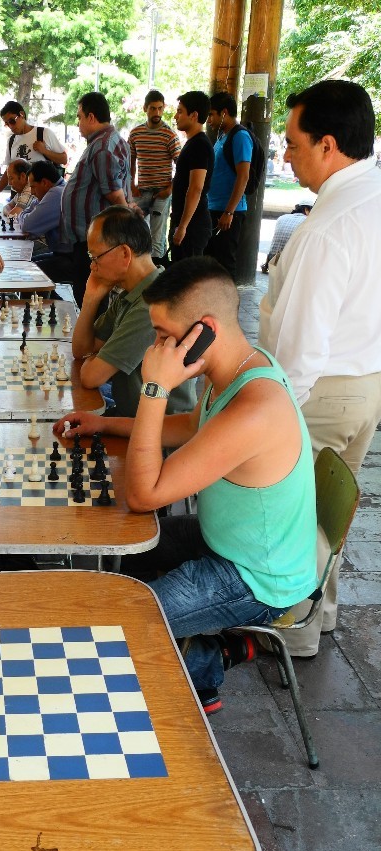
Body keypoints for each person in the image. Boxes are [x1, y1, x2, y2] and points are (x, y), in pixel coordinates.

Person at [56, 257, 318, 714]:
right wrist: (106, 422)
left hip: (254, 578)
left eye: (164, 337)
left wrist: (155, 388)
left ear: (205, 331)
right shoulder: (238, 368)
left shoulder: (254, 408)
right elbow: (193, 424)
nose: (155, 350)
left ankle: (205, 659)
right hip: (225, 541)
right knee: (121, 549)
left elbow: (144, 496)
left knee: (116, 619)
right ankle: (186, 654)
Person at [259, 79, 381, 658]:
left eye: (293, 143)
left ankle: (299, 626)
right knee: (332, 512)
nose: (286, 155)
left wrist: (271, 409)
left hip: (321, 389)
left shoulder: (325, 228)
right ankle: (323, 613)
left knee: (300, 514)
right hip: (367, 384)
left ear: (328, 145)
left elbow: (300, 342)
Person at [71, 207, 195, 417]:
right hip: (133, 414)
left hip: (161, 431)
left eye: (95, 257)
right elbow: (82, 350)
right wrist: (90, 299)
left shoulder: (152, 304)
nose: (92, 266)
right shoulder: (134, 292)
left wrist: (95, 359)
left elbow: (91, 377)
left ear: (124, 253)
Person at [39, 91, 131, 306]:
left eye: (80, 117)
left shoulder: (101, 147)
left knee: (91, 298)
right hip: (91, 238)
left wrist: (128, 222)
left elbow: (114, 193)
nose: (78, 123)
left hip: (97, 240)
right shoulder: (108, 142)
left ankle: (92, 338)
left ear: (91, 117)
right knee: (89, 295)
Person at [204, 92, 253, 281]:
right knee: (212, 265)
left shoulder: (240, 136)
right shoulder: (222, 136)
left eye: (211, 114)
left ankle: (228, 309)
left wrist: (229, 211)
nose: (208, 119)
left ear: (224, 112)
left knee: (225, 266)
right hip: (214, 207)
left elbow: (244, 175)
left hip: (228, 212)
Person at [129, 89, 181, 264]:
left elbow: (181, 165)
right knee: (130, 226)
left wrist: (170, 189)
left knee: (157, 236)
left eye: (160, 108)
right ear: (145, 108)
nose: (157, 113)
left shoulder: (169, 135)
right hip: (141, 190)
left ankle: (156, 271)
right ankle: (141, 265)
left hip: (162, 192)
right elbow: (132, 159)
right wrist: (131, 183)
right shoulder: (136, 133)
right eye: (153, 108)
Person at [0, 100, 67, 207]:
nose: (10, 126)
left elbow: (64, 159)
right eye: (7, 124)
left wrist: (45, 151)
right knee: (13, 220)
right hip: (17, 195)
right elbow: (9, 172)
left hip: (40, 196)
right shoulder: (11, 141)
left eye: (12, 121)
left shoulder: (43, 133)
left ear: (21, 114)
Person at [170, 91, 214, 261]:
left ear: (194, 115)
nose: (176, 116)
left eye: (180, 111)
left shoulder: (200, 145)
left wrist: (183, 226)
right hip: (186, 223)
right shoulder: (193, 143)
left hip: (193, 226)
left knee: (188, 281)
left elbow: (196, 188)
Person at [22, 160, 65, 255]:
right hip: (59, 254)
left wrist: (23, 216)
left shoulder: (57, 193)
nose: (32, 192)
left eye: (33, 187)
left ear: (45, 183)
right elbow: (28, 211)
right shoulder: (54, 190)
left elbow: (27, 226)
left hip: (67, 258)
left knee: (23, 264)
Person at [260, 203, 311, 273]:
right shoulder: (308, 221)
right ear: (306, 210)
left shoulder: (282, 217)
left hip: (272, 259)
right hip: (289, 261)